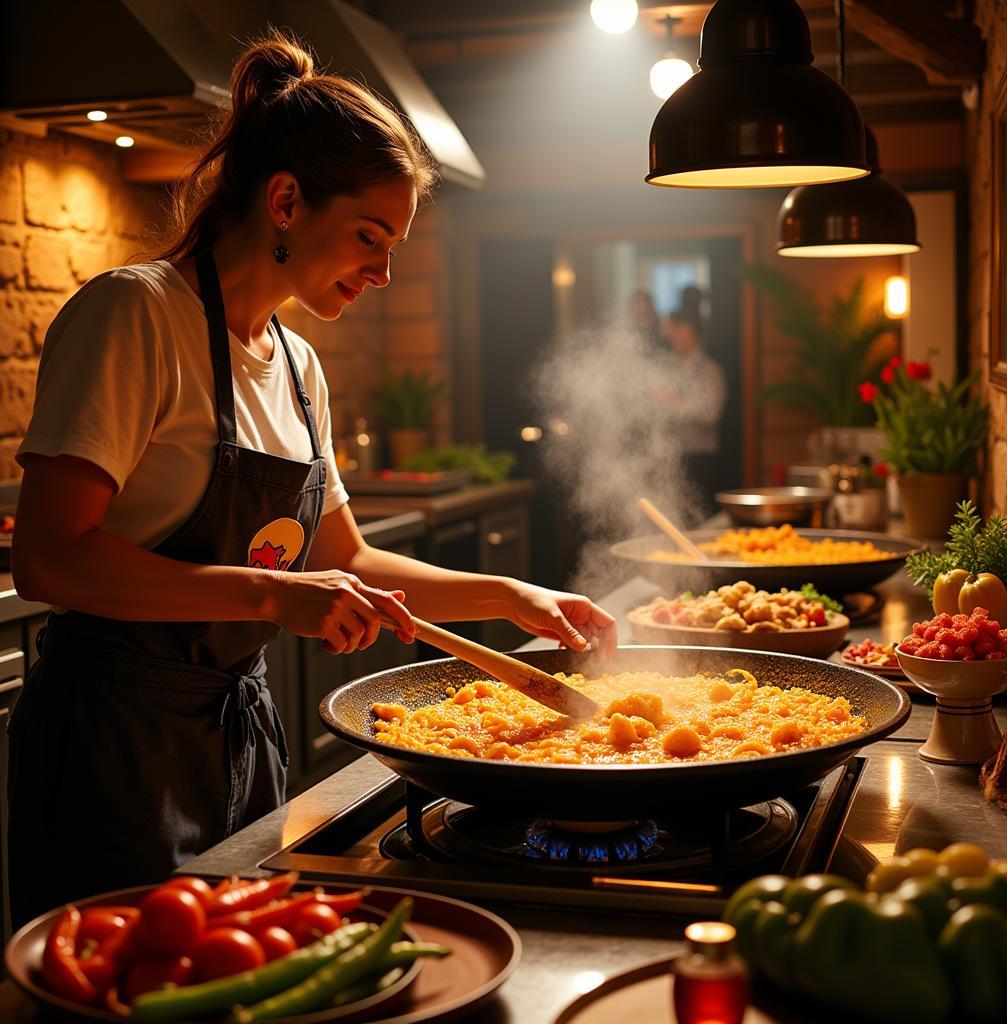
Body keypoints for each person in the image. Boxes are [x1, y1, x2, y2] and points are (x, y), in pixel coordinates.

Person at [8, 30, 616, 927]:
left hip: (236, 741)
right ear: (286, 200)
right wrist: (270, 596)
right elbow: (50, 562)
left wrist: (513, 595)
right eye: (371, 236)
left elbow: (351, 560)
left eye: (395, 244)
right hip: (113, 745)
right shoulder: (134, 315)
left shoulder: (297, 365)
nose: (383, 271)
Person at [657, 289, 728, 513]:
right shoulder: (667, 367)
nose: (671, 336)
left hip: (700, 460)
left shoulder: (709, 370)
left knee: (699, 517)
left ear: (690, 332)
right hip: (670, 457)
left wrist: (674, 404)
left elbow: (710, 414)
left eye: (677, 330)